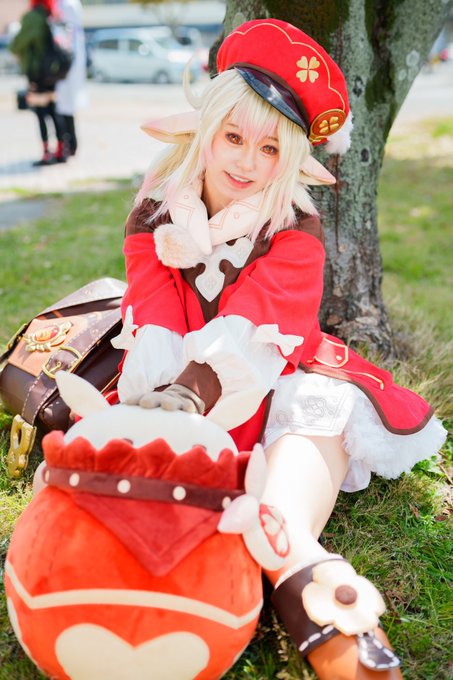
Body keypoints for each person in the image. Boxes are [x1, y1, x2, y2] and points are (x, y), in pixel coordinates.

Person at [113, 19, 447, 680]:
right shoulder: (154, 212)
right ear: (205, 131)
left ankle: (323, 610)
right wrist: (163, 403)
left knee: (295, 468)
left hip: (277, 376)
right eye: (233, 138)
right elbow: (152, 311)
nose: (246, 163)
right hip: (171, 383)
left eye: (269, 149)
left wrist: (192, 396)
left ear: (291, 158)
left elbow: (258, 325)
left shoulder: (295, 229)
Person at [9, 0, 67, 165]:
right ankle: (61, 150)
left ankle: (46, 153)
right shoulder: (52, 16)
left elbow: (16, 45)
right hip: (53, 72)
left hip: (37, 73)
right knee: (54, 110)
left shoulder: (32, 17)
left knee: (40, 113)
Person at [54, 0, 87, 157]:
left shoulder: (66, 5)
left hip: (67, 66)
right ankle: (71, 144)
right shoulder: (71, 5)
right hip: (71, 65)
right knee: (67, 107)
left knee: (65, 107)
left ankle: (69, 144)